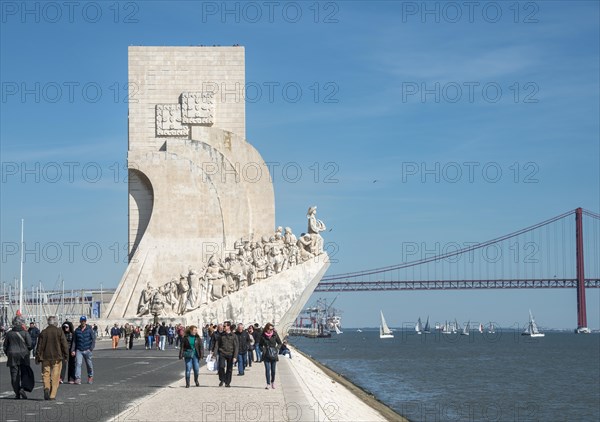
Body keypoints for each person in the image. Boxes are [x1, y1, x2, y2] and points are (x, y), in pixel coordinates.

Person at [35, 316, 69, 400]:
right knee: (55, 375)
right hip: (57, 357)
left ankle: (46, 387)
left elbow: (39, 346)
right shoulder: (59, 331)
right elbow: (64, 345)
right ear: (55, 322)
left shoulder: (43, 332)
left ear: (48, 322)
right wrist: (66, 356)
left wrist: (38, 357)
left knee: (45, 374)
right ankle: (52, 395)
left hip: (45, 357)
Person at [2, 315, 33, 399]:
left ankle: (17, 392)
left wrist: (8, 353)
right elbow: (30, 345)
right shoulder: (25, 333)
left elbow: (5, 346)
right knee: (25, 373)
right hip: (23, 355)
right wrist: (27, 350)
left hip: (12, 355)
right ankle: (22, 388)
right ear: (22, 323)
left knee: (14, 375)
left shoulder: (9, 334)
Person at [211, 321, 238, 388]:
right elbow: (217, 345)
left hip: (230, 353)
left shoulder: (234, 336)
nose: (223, 327)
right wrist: (214, 354)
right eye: (223, 326)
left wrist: (235, 356)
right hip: (222, 352)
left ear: (228, 327)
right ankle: (222, 379)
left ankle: (227, 382)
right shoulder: (221, 335)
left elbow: (236, 346)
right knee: (221, 367)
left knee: (229, 369)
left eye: (225, 326)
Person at [71, 316, 95, 384]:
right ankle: (78, 378)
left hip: (87, 350)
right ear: (80, 321)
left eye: (84, 321)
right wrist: (73, 350)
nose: (83, 322)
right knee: (78, 364)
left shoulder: (89, 329)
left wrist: (91, 349)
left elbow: (93, 339)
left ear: (85, 321)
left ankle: (90, 376)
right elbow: (74, 341)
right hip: (79, 350)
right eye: (82, 321)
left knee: (89, 365)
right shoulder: (77, 330)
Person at [259, 322, 282, 389]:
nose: (271, 330)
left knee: (273, 370)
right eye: (269, 329)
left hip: (273, 354)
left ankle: (273, 382)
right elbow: (260, 345)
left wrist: (277, 349)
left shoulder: (275, 335)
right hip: (266, 354)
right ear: (266, 329)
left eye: (272, 329)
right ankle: (268, 383)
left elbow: (280, 343)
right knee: (267, 369)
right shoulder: (263, 335)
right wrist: (262, 349)